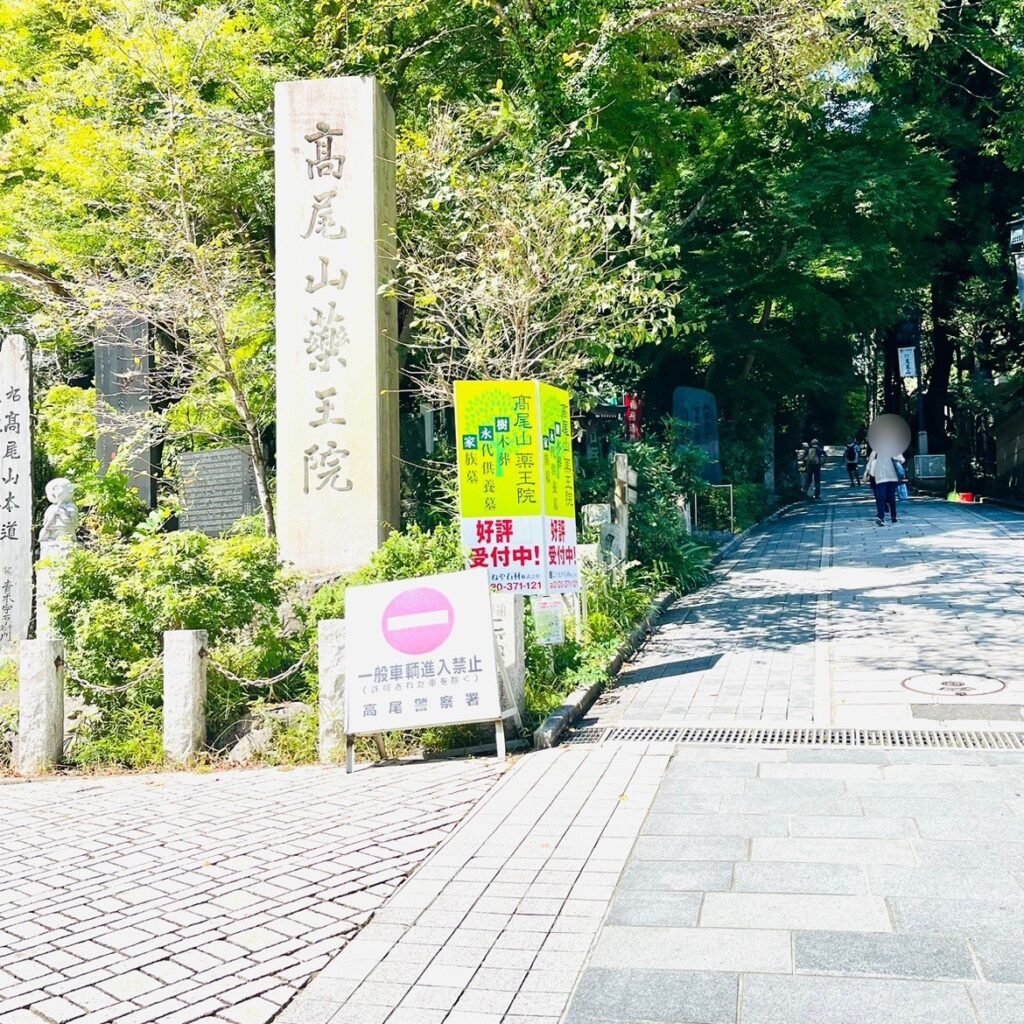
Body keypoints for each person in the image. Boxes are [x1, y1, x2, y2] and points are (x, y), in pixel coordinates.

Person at [864, 448, 900, 525]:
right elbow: (871, 459)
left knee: (891, 498)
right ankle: (881, 517)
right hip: (880, 477)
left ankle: (893, 516)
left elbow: (901, 459)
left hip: (892, 476)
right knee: (880, 496)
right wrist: (866, 472)